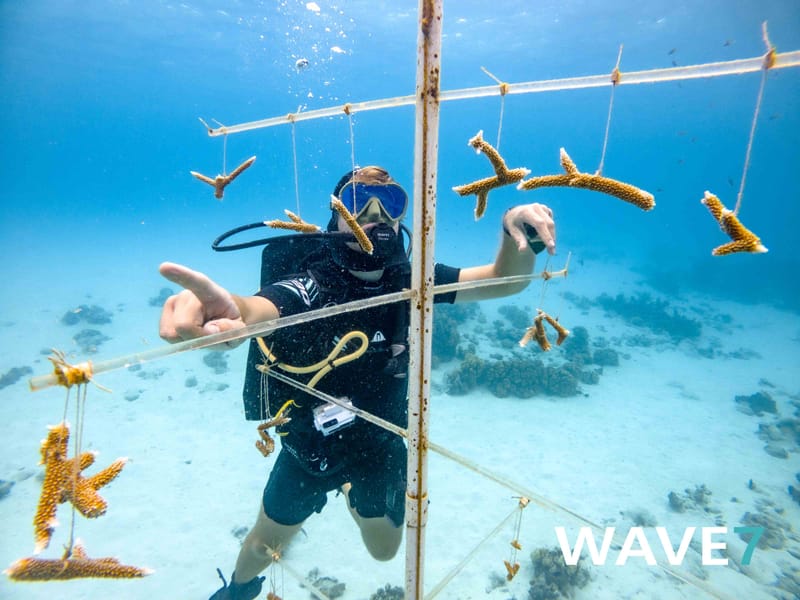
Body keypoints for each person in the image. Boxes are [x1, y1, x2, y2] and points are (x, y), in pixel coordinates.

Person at [158, 166, 556, 600]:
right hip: (308, 445)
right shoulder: (313, 282)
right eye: (357, 202)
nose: (376, 214)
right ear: (335, 217)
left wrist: (516, 229)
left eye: (392, 203)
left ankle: (352, 490)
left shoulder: (413, 279)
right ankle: (237, 591)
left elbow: (507, 280)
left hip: (379, 441)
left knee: (384, 552)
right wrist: (226, 312)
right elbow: (257, 308)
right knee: (260, 545)